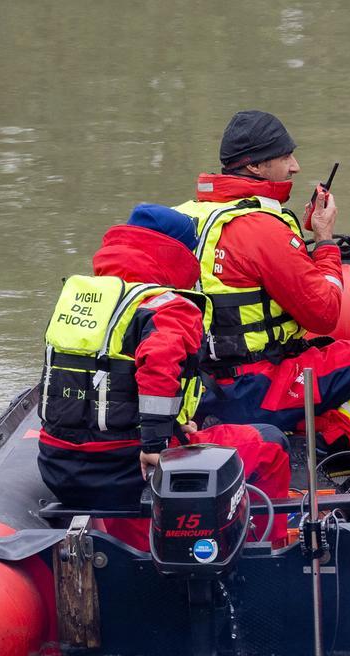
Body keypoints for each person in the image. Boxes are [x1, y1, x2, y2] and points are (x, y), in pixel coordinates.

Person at [38, 204, 290, 546]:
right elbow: (158, 363)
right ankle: (266, 553)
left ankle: (129, 547)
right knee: (270, 443)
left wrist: (168, 426)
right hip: (125, 469)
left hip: (59, 465)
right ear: (180, 253)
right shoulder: (168, 305)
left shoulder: (85, 300)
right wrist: (155, 444)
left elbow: (99, 384)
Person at [174, 110, 350, 461]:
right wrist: (323, 240)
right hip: (255, 387)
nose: (295, 167)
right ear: (256, 167)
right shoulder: (261, 228)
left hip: (196, 389)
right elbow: (324, 313)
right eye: (285, 156)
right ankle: (332, 457)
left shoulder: (185, 217)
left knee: (317, 352)